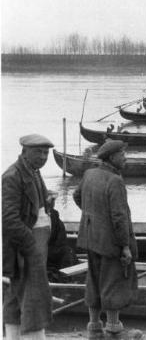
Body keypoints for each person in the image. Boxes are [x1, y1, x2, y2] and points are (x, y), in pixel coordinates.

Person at [73, 139, 142, 340]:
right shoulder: (115, 180)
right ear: (112, 157)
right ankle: (113, 329)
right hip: (111, 243)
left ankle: (94, 327)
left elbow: (77, 197)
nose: (126, 158)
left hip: (90, 239)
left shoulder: (89, 174)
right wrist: (125, 247)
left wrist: (94, 217)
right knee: (114, 282)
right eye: (123, 154)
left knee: (93, 281)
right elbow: (119, 218)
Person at [2, 134, 55, 340]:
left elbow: (30, 207)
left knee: (15, 299)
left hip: (33, 247)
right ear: (24, 152)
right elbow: (7, 219)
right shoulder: (12, 177)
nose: (43, 157)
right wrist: (30, 246)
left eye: (46, 153)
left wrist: (46, 200)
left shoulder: (33, 172)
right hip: (24, 249)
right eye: (38, 152)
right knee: (34, 299)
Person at [46, 191, 78, 283]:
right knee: (67, 252)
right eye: (52, 201)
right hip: (47, 250)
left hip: (51, 250)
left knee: (67, 252)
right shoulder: (50, 216)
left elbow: (60, 240)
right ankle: (65, 279)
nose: (53, 203)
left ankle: (65, 278)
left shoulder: (54, 216)